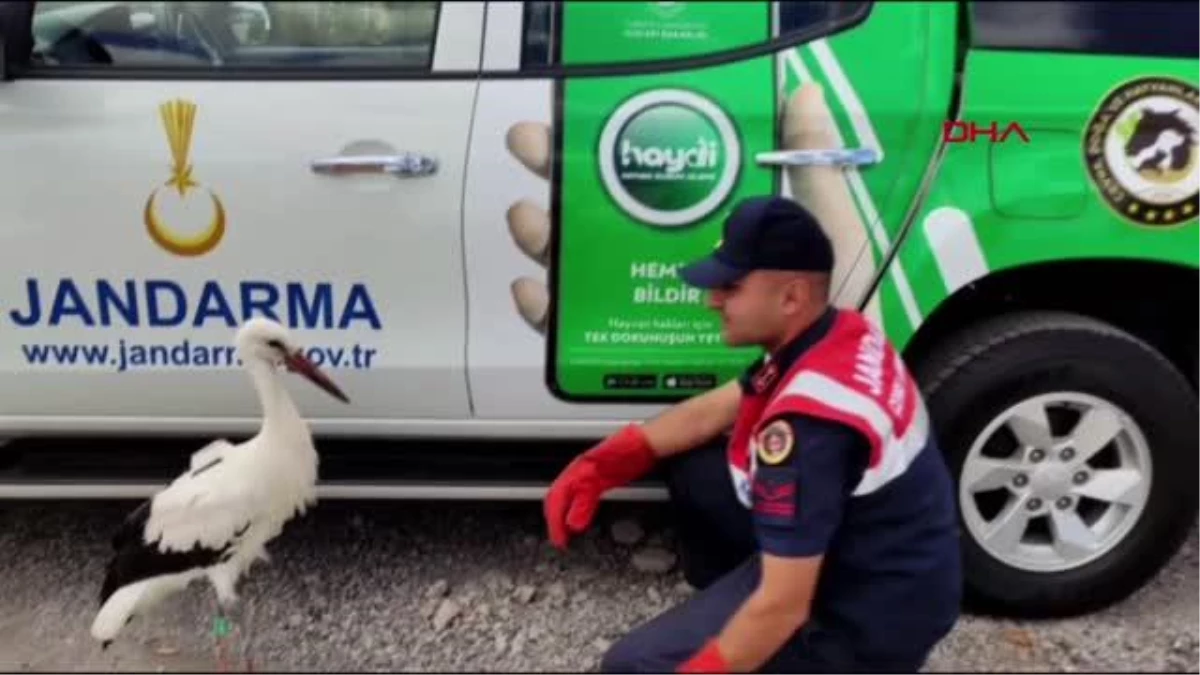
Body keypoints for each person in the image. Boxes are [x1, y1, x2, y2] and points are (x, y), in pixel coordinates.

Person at [543, 195, 963, 672]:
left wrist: (709, 666)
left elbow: (785, 606)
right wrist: (605, 462)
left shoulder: (807, 432)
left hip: (867, 614)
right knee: (695, 467)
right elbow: (713, 412)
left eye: (730, 287)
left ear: (790, 297)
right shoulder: (836, 332)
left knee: (632, 665)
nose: (711, 300)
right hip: (898, 563)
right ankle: (740, 607)